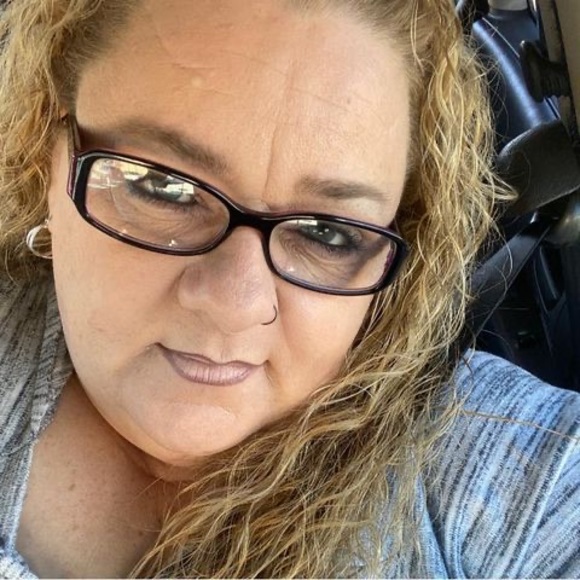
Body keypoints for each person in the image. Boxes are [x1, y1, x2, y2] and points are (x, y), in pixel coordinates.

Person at [0, 0, 578, 577]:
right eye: (162, 188)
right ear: (47, 157)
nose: (234, 305)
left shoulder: (509, 467)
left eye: (327, 233)